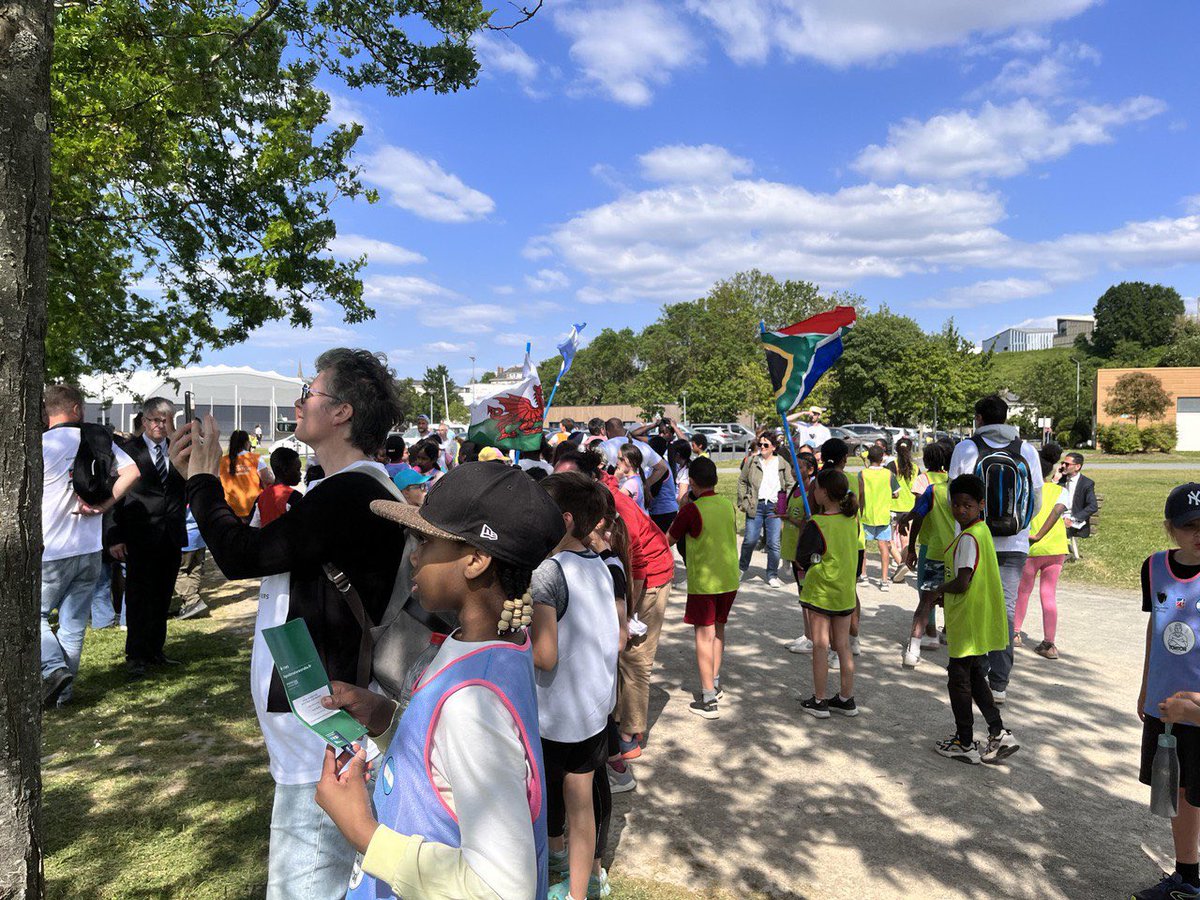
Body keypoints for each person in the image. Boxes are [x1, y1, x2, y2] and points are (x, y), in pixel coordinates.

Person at [170, 349, 423, 900]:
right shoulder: (352, 490)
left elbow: (241, 555)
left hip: (324, 729)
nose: (297, 403)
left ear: (342, 412)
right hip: (326, 719)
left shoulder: (351, 492)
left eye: (309, 392)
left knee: (305, 885)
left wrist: (202, 481)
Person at [314, 462, 565, 899]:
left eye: (426, 541)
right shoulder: (498, 644)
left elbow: (503, 889)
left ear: (476, 560)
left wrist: (363, 833)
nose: (414, 555)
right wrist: (387, 719)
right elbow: (446, 759)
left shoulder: (472, 704)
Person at [530, 472, 623, 900]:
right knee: (581, 803)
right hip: (593, 709)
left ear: (564, 520)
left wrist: (510, 639)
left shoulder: (548, 572)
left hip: (557, 716)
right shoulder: (599, 563)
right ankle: (578, 892)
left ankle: (546, 867)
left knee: (542, 797)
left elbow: (544, 655)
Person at [553, 448, 673, 762]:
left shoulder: (615, 505)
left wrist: (627, 613)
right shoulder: (580, 507)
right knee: (615, 653)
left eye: (567, 479)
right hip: (623, 576)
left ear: (587, 479)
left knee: (634, 658)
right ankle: (615, 721)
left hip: (649, 577)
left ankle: (628, 737)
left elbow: (639, 565)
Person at [40, 384, 140, 705]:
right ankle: (63, 696)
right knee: (72, 625)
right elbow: (132, 471)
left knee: (34, 617)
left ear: (46, 412)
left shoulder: (40, 445)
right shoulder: (97, 440)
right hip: (89, 546)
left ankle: (53, 669)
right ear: (77, 409)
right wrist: (104, 505)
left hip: (52, 548)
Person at [949, 394, 1042, 705]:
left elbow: (954, 497)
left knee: (974, 605)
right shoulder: (1026, 450)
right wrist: (1019, 525)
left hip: (975, 540)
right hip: (1015, 543)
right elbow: (1036, 499)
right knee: (1005, 611)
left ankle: (976, 671)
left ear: (979, 418)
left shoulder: (967, 448)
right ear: (1006, 417)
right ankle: (999, 683)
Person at [1133, 483, 1200, 900]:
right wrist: (1146, 687)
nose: (1199, 534)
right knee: (1179, 790)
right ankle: (1187, 878)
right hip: (1165, 706)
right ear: (1170, 528)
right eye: (1190, 525)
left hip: (1197, 706)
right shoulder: (1154, 567)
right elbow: (1155, 628)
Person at [929, 474, 1019, 765]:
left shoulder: (968, 537)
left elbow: (963, 581)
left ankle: (964, 741)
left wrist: (938, 590)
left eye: (967, 505)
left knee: (958, 679)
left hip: (967, 619)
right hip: (979, 616)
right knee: (974, 674)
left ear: (981, 504)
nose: (960, 510)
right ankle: (998, 731)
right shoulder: (981, 531)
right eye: (956, 505)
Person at [109, 396, 188, 679]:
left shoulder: (179, 450)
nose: (160, 425)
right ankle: (136, 654)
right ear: (144, 421)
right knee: (138, 596)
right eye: (155, 420)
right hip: (139, 534)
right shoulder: (127, 451)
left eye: (165, 420)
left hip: (170, 533)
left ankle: (156, 649)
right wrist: (114, 535)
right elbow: (115, 496)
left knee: (163, 594)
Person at [666, 456, 739, 718]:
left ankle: (708, 698)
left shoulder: (691, 510)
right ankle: (714, 682)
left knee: (703, 635)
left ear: (692, 482)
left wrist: (683, 506)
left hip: (705, 581)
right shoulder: (727, 505)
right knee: (718, 630)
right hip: (728, 578)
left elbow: (669, 539)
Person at [793, 469, 860, 718]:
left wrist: (812, 559)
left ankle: (819, 700)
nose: (813, 491)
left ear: (824, 492)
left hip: (821, 592)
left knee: (820, 645)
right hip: (844, 591)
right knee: (843, 645)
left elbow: (801, 557)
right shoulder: (851, 520)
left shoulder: (817, 523)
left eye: (816, 487)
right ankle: (846, 697)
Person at [900, 441, 954, 668]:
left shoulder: (930, 487)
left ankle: (916, 646)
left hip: (934, 550)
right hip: (959, 553)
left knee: (926, 599)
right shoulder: (961, 486)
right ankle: (952, 636)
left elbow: (918, 514)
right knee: (956, 598)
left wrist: (910, 542)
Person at [1014, 443, 1069, 660]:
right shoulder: (1061, 491)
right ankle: (1049, 642)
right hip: (1056, 549)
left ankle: (1015, 632)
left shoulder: (1027, 490)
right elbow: (1057, 511)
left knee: (1023, 591)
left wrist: (1037, 535)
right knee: (1048, 594)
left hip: (1032, 547)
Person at [737, 431, 795, 588]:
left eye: (765, 445)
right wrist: (743, 501)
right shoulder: (752, 461)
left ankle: (772, 575)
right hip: (755, 505)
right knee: (750, 540)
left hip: (774, 507)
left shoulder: (782, 463)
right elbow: (742, 481)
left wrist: (784, 503)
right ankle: (741, 568)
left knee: (774, 543)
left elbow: (790, 483)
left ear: (773, 447)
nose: (762, 447)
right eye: (760, 444)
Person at [782, 452, 818, 654]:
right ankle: (807, 634)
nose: (795, 471)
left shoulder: (811, 492)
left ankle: (813, 637)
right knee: (801, 592)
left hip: (802, 549)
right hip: (792, 546)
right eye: (794, 466)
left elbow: (808, 521)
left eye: (800, 467)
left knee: (807, 593)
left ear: (810, 469)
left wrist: (791, 519)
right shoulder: (796, 489)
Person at [858, 445, 899, 590]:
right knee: (884, 547)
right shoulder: (888, 474)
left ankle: (863, 575)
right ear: (882, 458)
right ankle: (884, 580)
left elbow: (859, 493)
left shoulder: (862, 473)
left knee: (863, 547)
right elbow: (896, 493)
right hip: (883, 515)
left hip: (866, 514)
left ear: (868, 458)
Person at [597, 417, 668, 496]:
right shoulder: (643, 446)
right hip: (636, 497)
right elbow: (663, 467)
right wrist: (644, 485)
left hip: (614, 496)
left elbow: (595, 470)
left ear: (608, 432)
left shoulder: (604, 446)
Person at [219, 429, 273, 522]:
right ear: (247, 443)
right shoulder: (255, 458)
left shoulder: (223, 461)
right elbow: (267, 479)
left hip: (230, 508)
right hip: (253, 506)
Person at [888, 437, 919, 582]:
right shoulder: (916, 468)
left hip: (893, 507)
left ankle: (901, 563)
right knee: (906, 542)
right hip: (910, 508)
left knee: (888, 541)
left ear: (896, 449)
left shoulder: (891, 465)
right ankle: (903, 566)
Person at [1060, 451, 1098, 556]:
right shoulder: (1060, 480)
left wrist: (1072, 519)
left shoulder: (1086, 483)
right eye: (1062, 463)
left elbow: (1093, 506)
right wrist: (1054, 481)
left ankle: (1060, 556)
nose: (1063, 466)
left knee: (1058, 531)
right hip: (1057, 517)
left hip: (1073, 520)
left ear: (1077, 466)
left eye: (1067, 464)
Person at [253, 446, 303, 528]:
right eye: (297, 469)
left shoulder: (261, 497)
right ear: (285, 470)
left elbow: (254, 525)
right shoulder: (294, 497)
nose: (300, 474)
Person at [174, 507, 209, 620]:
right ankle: (192, 604)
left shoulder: (178, 497)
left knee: (176, 571)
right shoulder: (198, 495)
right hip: (199, 535)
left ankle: (192, 601)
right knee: (194, 569)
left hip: (185, 535)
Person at [615, 442, 647, 512]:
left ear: (632, 462)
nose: (617, 463)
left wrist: (615, 479)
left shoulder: (631, 483)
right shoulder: (637, 478)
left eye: (621, 459)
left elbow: (614, 501)